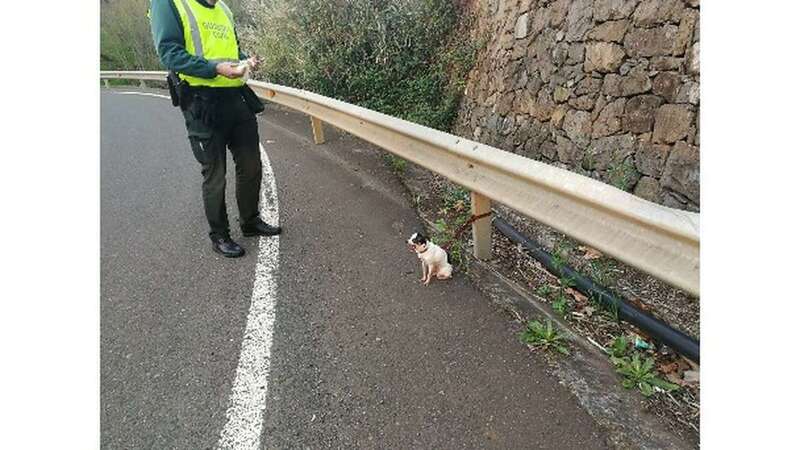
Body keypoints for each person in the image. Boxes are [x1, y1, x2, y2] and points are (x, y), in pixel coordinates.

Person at [149, 0, 281, 258]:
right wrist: (214, 68)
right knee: (215, 174)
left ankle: (250, 221)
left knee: (251, 164)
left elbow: (232, 53)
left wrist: (245, 61)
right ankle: (219, 235)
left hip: (236, 98)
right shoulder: (168, 3)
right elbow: (169, 53)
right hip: (201, 103)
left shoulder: (224, 9)